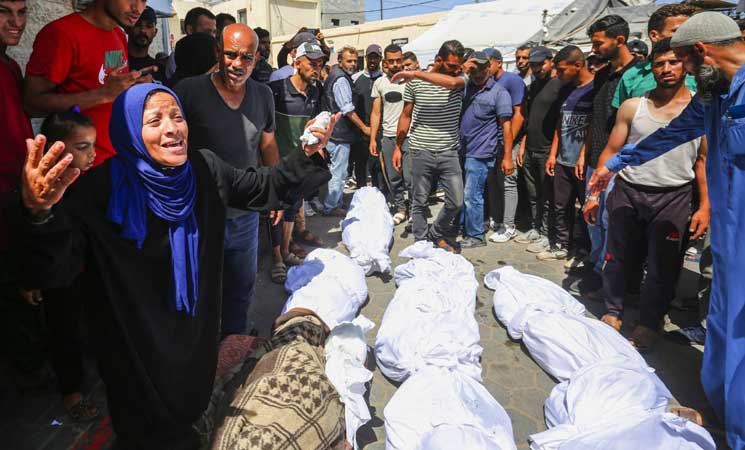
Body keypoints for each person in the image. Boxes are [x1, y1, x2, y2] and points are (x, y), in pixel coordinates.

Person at [16, 82, 335, 449]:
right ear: (129, 130)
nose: (172, 129)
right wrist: (39, 213)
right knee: (143, 427)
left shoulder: (204, 169)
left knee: (191, 408)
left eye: (177, 117)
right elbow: (55, 270)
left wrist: (306, 153)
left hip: (192, 329)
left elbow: (263, 186)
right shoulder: (98, 191)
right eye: (155, 121)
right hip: (131, 344)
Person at [588, 14, 745, 446]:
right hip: (729, 237)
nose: (683, 73)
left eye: (685, 63)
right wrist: (614, 164)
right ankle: (723, 410)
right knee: (723, 322)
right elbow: (670, 135)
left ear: (701, 53)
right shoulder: (715, 95)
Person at [584, 38, 708, 349]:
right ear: (650, 68)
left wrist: (705, 206)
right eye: (659, 63)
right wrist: (594, 195)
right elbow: (611, 151)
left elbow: (703, 162)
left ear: (685, 65)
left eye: (673, 62)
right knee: (616, 257)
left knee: (662, 266)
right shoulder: (633, 107)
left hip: (674, 197)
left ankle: (650, 322)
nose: (666, 69)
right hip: (628, 191)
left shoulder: (701, 108)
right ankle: (613, 310)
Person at [173, 24, 280, 338]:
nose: (237, 64)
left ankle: (234, 343)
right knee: (200, 288)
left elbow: (268, 145)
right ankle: (200, 348)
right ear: (217, 52)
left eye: (246, 57)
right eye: (231, 54)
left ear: (257, 59)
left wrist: (275, 190)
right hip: (199, 214)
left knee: (241, 287)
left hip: (245, 215)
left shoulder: (263, 95)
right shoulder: (188, 91)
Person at [27, 111, 99, 422]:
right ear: (54, 150)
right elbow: (28, 236)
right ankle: (72, 392)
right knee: (64, 332)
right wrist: (32, 279)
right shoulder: (38, 190)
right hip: (58, 277)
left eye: (93, 145)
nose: (92, 154)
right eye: (82, 147)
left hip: (91, 270)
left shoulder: (93, 182)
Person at [23, 0, 152, 167]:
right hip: (79, 169)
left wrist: (132, 89)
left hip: (117, 160)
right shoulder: (62, 33)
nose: (138, 8)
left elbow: (108, 90)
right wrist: (103, 94)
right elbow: (31, 103)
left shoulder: (118, 34)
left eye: (143, 0)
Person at [570, 14, 638, 299]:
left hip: (617, 164)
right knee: (593, 219)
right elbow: (595, 120)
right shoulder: (602, 75)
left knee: (610, 222)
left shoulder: (638, 75)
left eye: (598, 43)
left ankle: (607, 278)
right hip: (595, 160)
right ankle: (596, 265)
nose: (593, 48)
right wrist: (584, 153)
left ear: (619, 40)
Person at [0, 0, 48, 392]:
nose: (16, 22)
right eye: (4, 11)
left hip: (17, 196)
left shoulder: (11, 67)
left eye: (21, 12)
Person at [390, 40, 466, 252]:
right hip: (420, 151)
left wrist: (416, 74)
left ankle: (436, 234)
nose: (456, 69)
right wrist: (398, 147)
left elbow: (452, 83)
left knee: (456, 201)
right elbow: (406, 116)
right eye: (451, 65)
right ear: (439, 60)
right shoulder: (415, 84)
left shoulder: (460, 79)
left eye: (458, 66)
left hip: (448, 152)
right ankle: (421, 243)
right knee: (419, 201)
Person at [268, 41, 326, 283]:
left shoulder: (316, 92)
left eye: (320, 64)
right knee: (275, 212)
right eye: (312, 63)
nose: (317, 68)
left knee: (292, 208)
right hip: (276, 163)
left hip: (299, 162)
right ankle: (277, 259)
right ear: (297, 61)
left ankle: (285, 249)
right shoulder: (275, 90)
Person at [515, 46, 573, 254]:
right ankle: (536, 228)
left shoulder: (560, 86)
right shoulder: (532, 87)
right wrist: (523, 145)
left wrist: (553, 154)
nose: (537, 68)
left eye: (541, 64)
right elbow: (528, 120)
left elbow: (560, 122)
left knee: (549, 197)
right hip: (530, 148)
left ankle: (549, 236)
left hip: (548, 150)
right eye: (533, 65)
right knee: (533, 194)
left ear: (551, 61)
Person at [544, 45, 595, 261]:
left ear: (578, 65)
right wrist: (553, 155)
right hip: (563, 160)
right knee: (561, 205)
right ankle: (562, 245)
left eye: (562, 70)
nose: (558, 74)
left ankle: (586, 249)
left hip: (583, 162)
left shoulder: (595, 89)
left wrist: (583, 155)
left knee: (586, 207)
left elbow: (594, 126)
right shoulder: (566, 90)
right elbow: (560, 124)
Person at [458, 51, 513, 249]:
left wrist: (508, 157)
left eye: (481, 68)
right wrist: (464, 70)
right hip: (461, 149)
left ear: (489, 67)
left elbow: (506, 126)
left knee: (473, 195)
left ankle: (476, 235)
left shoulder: (499, 93)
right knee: (462, 193)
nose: (477, 73)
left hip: (481, 152)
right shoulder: (465, 88)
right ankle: (465, 227)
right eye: (473, 69)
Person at [613, 3, 699, 110]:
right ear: (654, 35)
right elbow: (622, 115)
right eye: (678, 31)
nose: (686, 37)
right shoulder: (631, 77)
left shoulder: (702, 72)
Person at [321, 45, 370, 216]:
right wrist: (364, 128)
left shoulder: (337, 75)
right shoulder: (341, 79)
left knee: (338, 170)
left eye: (355, 61)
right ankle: (331, 206)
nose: (353, 64)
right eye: (349, 61)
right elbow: (347, 109)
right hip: (339, 133)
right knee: (339, 172)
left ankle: (335, 202)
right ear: (340, 61)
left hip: (336, 131)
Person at [485, 48, 525, 243]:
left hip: (509, 141)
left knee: (508, 181)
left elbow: (519, 114)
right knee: (493, 181)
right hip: (492, 141)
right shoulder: (487, 82)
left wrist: (508, 142)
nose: (485, 68)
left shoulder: (512, 81)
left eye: (488, 63)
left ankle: (509, 226)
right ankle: (498, 219)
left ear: (499, 62)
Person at [370, 44, 410, 225]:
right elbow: (376, 113)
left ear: (402, 60)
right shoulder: (379, 83)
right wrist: (373, 138)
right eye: (391, 61)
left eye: (398, 60)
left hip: (409, 136)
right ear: (385, 62)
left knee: (411, 177)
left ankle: (415, 209)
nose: (395, 64)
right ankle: (401, 208)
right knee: (393, 177)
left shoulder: (411, 81)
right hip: (388, 136)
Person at [350, 44, 384, 190]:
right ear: (365, 58)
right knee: (360, 166)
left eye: (376, 57)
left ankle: (379, 194)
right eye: (370, 57)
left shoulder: (384, 79)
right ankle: (361, 194)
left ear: (380, 59)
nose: (372, 60)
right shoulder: (355, 78)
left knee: (377, 167)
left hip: (379, 130)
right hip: (360, 130)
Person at [165, 7, 216, 78]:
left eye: (214, 32)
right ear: (190, 30)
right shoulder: (176, 58)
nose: (213, 36)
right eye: (207, 32)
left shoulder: (214, 54)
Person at [127, 6, 166, 84]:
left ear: (155, 32)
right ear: (127, 28)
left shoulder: (159, 69)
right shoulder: (117, 64)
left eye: (149, 26)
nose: (143, 30)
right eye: (137, 24)